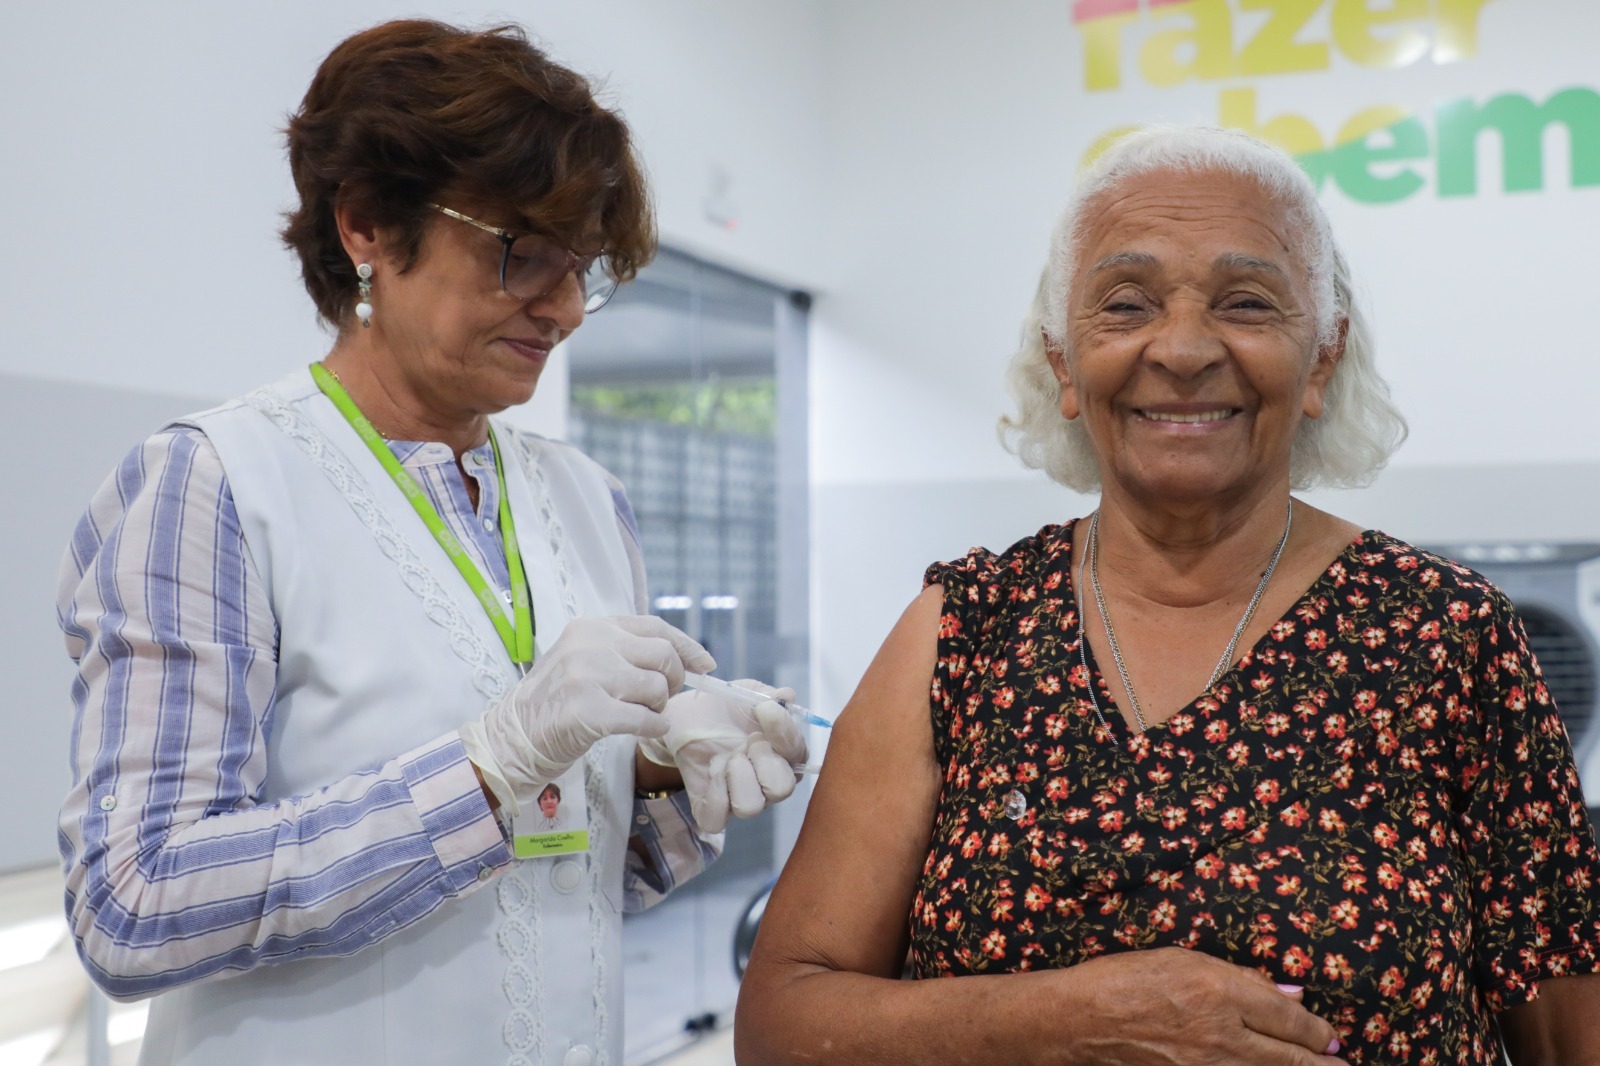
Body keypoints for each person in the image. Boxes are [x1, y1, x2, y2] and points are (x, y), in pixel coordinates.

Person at [737, 127, 1600, 1065]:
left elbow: (1568, 1029)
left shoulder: (1446, 637)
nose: (1184, 349)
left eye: (1246, 302)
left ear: (1321, 357)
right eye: (1126, 303)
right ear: (1065, 362)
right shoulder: (963, 632)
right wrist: (1068, 1020)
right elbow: (784, 1024)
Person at [56, 20, 804, 1066]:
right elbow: (134, 903)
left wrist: (662, 776)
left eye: (583, 267)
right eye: (524, 255)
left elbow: (591, 888)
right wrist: (487, 766)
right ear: (366, 225)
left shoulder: (585, 500)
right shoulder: (218, 486)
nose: (565, 308)